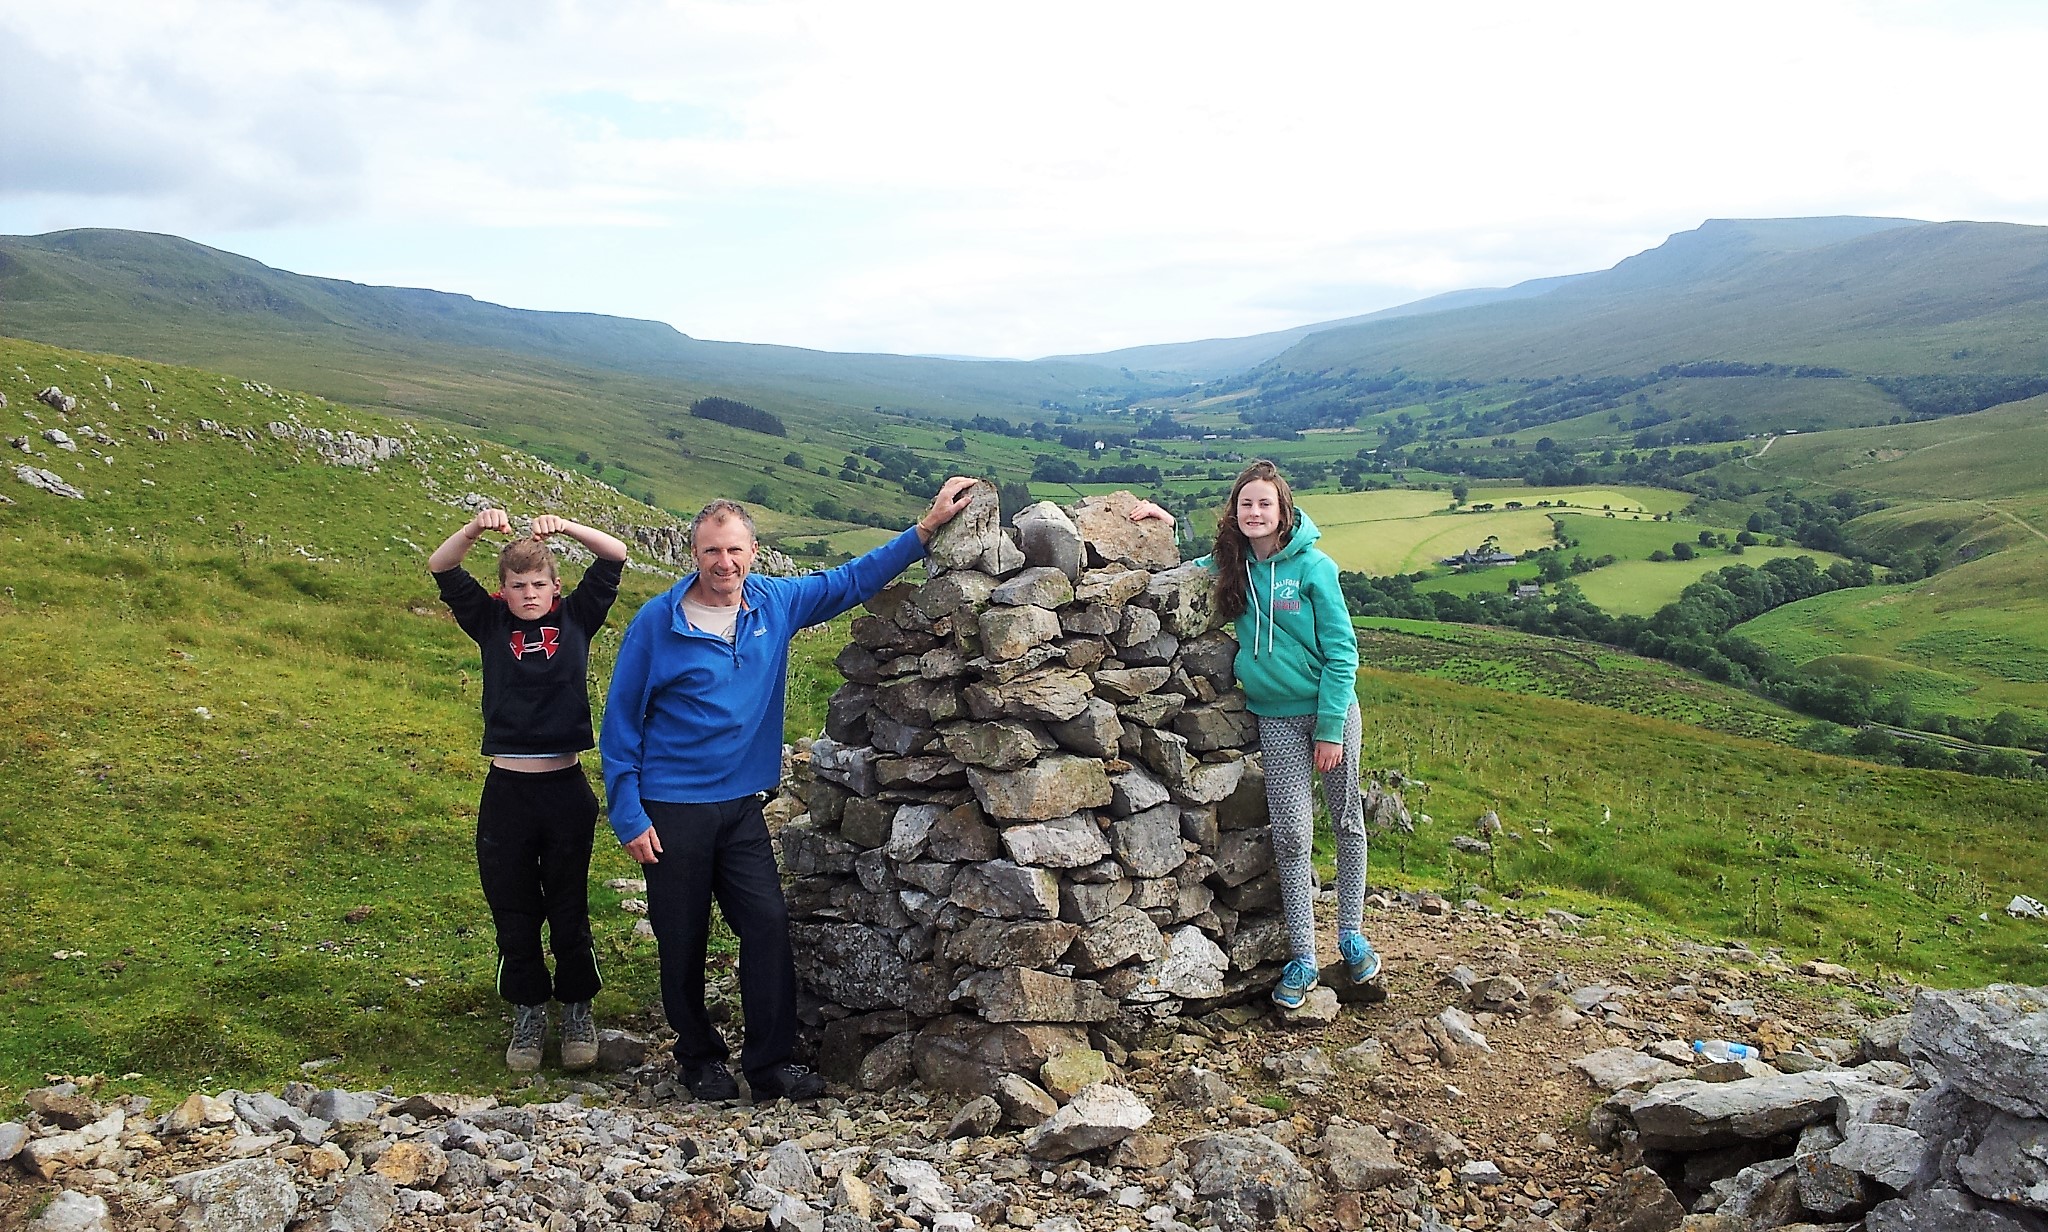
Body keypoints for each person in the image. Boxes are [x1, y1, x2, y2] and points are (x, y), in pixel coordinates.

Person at [601, 477, 978, 1103]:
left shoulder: (772, 604)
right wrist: (629, 811)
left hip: (742, 805)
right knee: (681, 935)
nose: (725, 563)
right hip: (671, 808)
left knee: (768, 924)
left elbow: (850, 581)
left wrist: (924, 530)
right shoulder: (657, 624)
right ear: (693, 555)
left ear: (753, 553)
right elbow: (620, 721)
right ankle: (697, 1057)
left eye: (735, 551)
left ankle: (769, 1064)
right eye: (712, 552)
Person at [428, 508, 629, 1071]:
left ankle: (577, 1010)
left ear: (555, 586)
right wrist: (473, 530)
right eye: (518, 586)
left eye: (539, 584)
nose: (530, 594)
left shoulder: (578, 617)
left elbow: (614, 554)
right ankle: (526, 1012)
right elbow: (440, 566)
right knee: (513, 908)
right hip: (507, 792)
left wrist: (565, 527)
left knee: (568, 906)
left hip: (565, 788)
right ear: (504, 590)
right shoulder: (490, 622)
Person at [1191, 461, 1378, 1009]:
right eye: (1245, 503)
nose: (1254, 512)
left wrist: (1329, 729)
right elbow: (1184, 573)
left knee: (1346, 819)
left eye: (1264, 504)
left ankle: (1351, 935)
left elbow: (1344, 653)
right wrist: (1161, 520)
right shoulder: (1233, 566)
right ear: (1236, 510)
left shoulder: (1316, 567)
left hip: (1331, 716)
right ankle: (1302, 957)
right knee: (1293, 836)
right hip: (1274, 719)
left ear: (1283, 511)